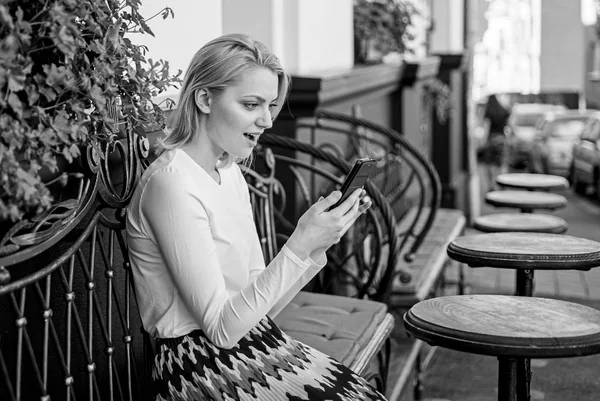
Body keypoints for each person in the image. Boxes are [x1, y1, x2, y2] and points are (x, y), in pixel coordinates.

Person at [126, 33, 386, 401]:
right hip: (198, 368)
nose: (266, 120)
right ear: (204, 98)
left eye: (271, 106)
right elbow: (220, 330)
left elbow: (263, 307)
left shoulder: (229, 171)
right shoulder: (172, 185)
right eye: (251, 104)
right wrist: (298, 244)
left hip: (259, 344)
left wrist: (316, 244)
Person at [482, 93, 510, 191]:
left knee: (489, 164)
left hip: (492, 139)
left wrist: (484, 141)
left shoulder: (489, 111)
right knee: (501, 164)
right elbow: (508, 126)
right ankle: (502, 183)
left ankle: (491, 185)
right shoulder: (503, 110)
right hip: (501, 139)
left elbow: (486, 126)